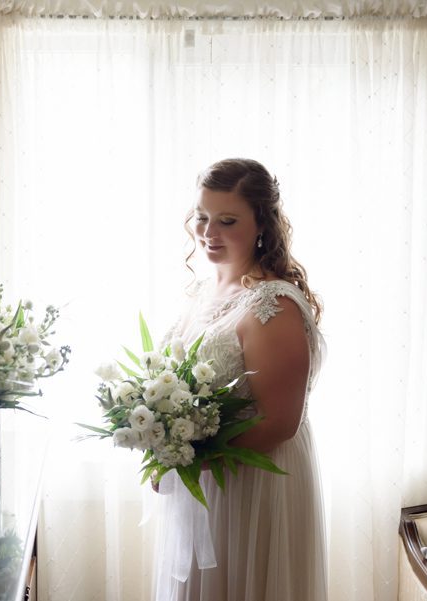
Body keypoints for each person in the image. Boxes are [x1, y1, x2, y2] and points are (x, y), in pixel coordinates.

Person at [154, 158, 327, 601]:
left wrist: (187, 459)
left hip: (254, 486)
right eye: (202, 217)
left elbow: (279, 423)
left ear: (261, 224)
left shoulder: (273, 306)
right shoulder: (201, 292)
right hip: (206, 479)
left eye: (227, 221)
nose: (208, 232)